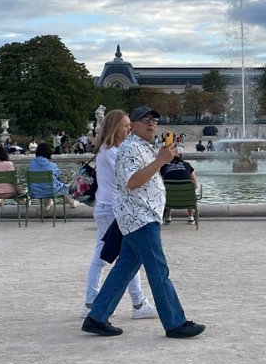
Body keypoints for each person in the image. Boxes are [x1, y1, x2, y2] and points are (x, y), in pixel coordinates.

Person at [81, 105, 205, 338]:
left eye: (155, 121)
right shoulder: (129, 149)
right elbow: (133, 182)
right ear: (134, 126)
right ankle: (175, 322)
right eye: (145, 120)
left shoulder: (142, 147)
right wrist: (159, 161)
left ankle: (97, 316)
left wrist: (164, 159)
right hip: (140, 217)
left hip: (141, 216)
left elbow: (146, 176)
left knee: (124, 269)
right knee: (158, 270)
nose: (151, 124)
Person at [81, 109, 157, 321]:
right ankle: (138, 303)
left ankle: (92, 301)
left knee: (104, 256)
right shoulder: (114, 152)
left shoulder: (106, 149)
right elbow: (131, 179)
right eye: (125, 126)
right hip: (113, 209)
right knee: (128, 256)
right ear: (115, 128)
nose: (129, 129)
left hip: (105, 206)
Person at [27, 143, 82, 209]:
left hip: (34, 192)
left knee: (47, 185)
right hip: (50, 191)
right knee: (59, 187)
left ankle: (47, 205)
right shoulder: (52, 165)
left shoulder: (31, 164)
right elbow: (58, 177)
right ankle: (72, 202)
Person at [160, 148, 197, 224]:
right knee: (190, 188)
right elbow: (195, 185)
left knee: (167, 189)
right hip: (187, 199)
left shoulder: (164, 167)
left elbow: (160, 183)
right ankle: (190, 217)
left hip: (170, 200)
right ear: (181, 156)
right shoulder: (187, 165)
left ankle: (168, 216)